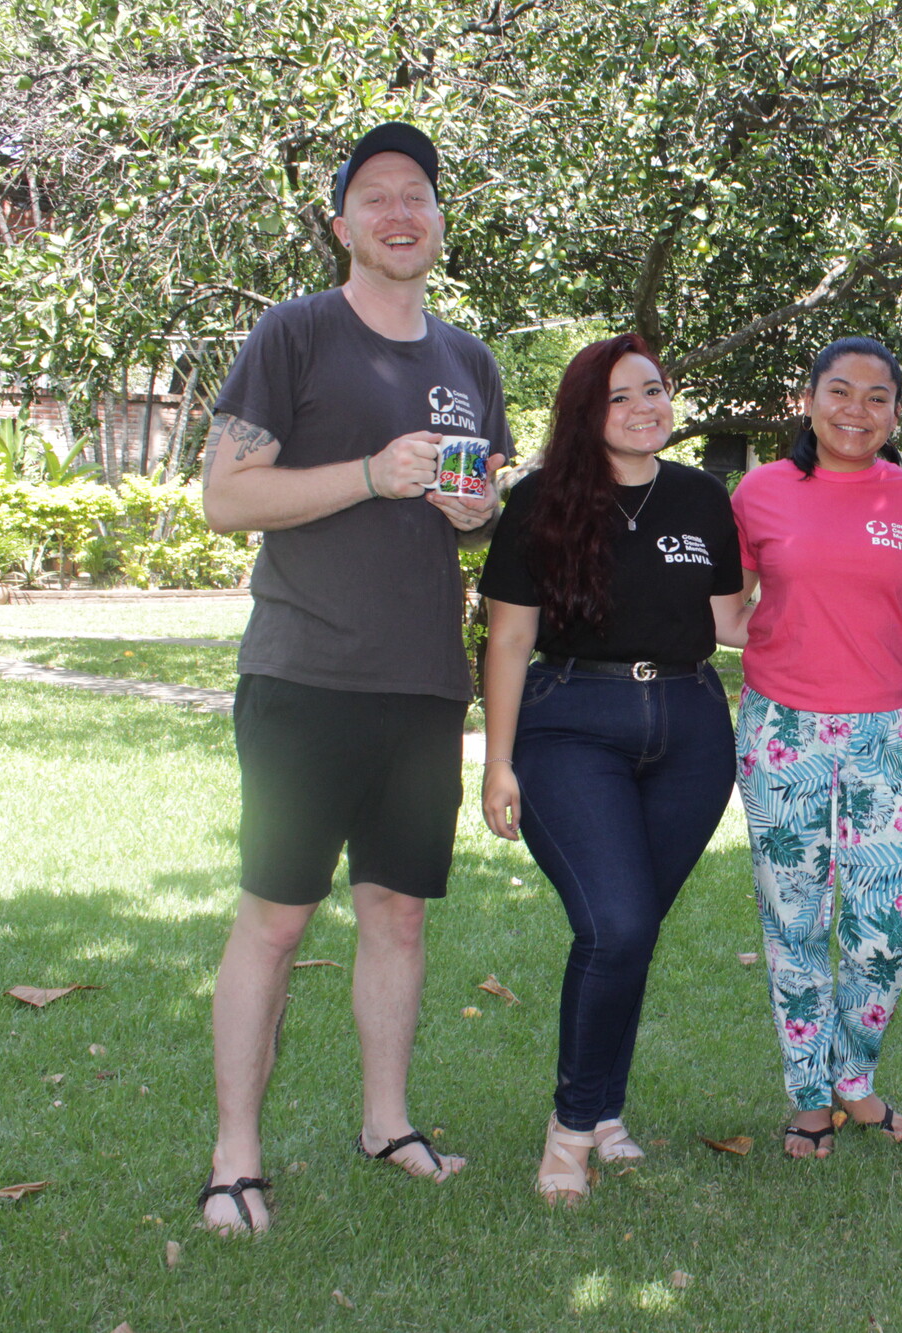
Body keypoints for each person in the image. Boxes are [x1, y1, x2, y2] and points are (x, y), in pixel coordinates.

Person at [196, 122, 510, 1234]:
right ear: (342, 226)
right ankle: (236, 1153)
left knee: (398, 916)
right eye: (373, 196)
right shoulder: (293, 335)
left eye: (415, 194)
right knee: (275, 921)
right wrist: (371, 474)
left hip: (423, 684)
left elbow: (475, 529)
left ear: (437, 221)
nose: (398, 211)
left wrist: (477, 515)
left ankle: (387, 1120)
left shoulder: (468, 361)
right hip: (304, 677)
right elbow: (227, 497)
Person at [477, 334, 746, 1207]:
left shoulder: (704, 497)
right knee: (616, 925)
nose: (646, 408)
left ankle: (604, 1115)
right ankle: (568, 1130)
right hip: (572, 725)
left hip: (692, 731)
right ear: (587, 413)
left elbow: (732, 621)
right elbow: (511, 638)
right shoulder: (541, 504)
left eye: (656, 390)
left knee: (632, 931)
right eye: (623, 396)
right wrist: (499, 762)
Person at [729, 338, 902, 1159]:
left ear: (897, 411)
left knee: (883, 926)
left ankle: (855, 1077)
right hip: (783, 732)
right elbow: (726, 609)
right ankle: (809, 1096)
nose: (856, 411)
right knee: (795, 920)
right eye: (839, 391)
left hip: (887, 734)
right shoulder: (760, 492)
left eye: (876, 396)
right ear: (809, 398)